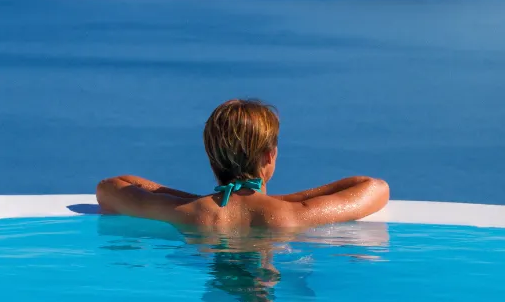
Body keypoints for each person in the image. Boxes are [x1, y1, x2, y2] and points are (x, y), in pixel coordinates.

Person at [96, 99, 389, 232]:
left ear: (212, 158)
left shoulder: (185, 214)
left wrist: (195, 200)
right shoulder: (294, 216)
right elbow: (375, 188)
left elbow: (111, 186)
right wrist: (278, 202)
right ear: (269, 157)